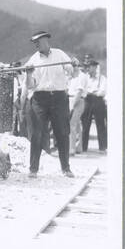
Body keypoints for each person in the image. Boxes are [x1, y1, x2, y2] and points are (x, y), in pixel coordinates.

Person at [24, 31, 77, 178]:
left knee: (62, 133)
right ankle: (33, 169)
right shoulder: (33, 60)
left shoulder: (60, 54)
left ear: (46, 40)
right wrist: (28, 74)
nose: (35, 44)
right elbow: (30, 86)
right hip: (40, 99)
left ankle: (66, 168)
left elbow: (72, 73)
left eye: (38, 41)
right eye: (34, 42)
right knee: (36, 134)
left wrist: (75, 65)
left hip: (59, 97)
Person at [81, 59, 107, 153]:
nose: (88, 68)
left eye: (90, 66)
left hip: (98, 102)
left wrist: (92, 91)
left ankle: (102, 147)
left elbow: (102, 91)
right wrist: (92, 91)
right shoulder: (85, 78)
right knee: (85, 124)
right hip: (87, 101)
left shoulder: (102, 78)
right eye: (87, 66)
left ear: (95, 67)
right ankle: (83, 147)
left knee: (100, 124)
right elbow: (83, 90)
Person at [67, 59, 88, 155]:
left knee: (72, 125)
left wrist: (72, 106)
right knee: (77, 125)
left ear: (76, 65)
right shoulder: (71, 77)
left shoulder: (82, 76)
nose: (72, 67)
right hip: (70, 99)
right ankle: (79, 147)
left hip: (78, 100)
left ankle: (71, 149)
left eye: (73, 65)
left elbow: (79, 92)